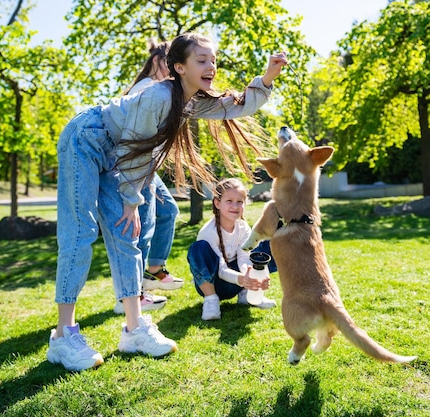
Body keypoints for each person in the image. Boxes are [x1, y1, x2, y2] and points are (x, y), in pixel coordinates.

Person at [46, 32, 288, 371]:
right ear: (179, 67)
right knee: (81, 233)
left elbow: (234, 106)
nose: (211, 67)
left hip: (114, 154)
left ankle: (134, 330)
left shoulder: (191, 100)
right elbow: (134, 146)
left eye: (213, 61)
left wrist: (267, 77)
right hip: (86, 139)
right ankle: (63, 337)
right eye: (202, 60)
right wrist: (132, 199)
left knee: (127, 236)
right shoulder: (159, 95)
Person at [112, 40, 183, 315]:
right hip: (138, 167)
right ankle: (130, 295)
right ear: (156, 61)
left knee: (168, 210)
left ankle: (153, 270)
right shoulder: (149, 89)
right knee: (142, 226)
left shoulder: (160, 89)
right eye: (169, 61)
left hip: (149, 166)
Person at [187, 178, 278, 321]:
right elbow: (221, 269)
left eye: (239, 202)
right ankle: (211, 301)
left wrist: (253, 276)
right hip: (215, 284)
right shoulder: (208, 232)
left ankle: (246, 294)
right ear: (217, 203)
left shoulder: (243, 227)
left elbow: (244, 258)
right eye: (229, 201)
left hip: (236, 283)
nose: (235, 206)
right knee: (198, 248)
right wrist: (241, 278)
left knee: (271, 242)